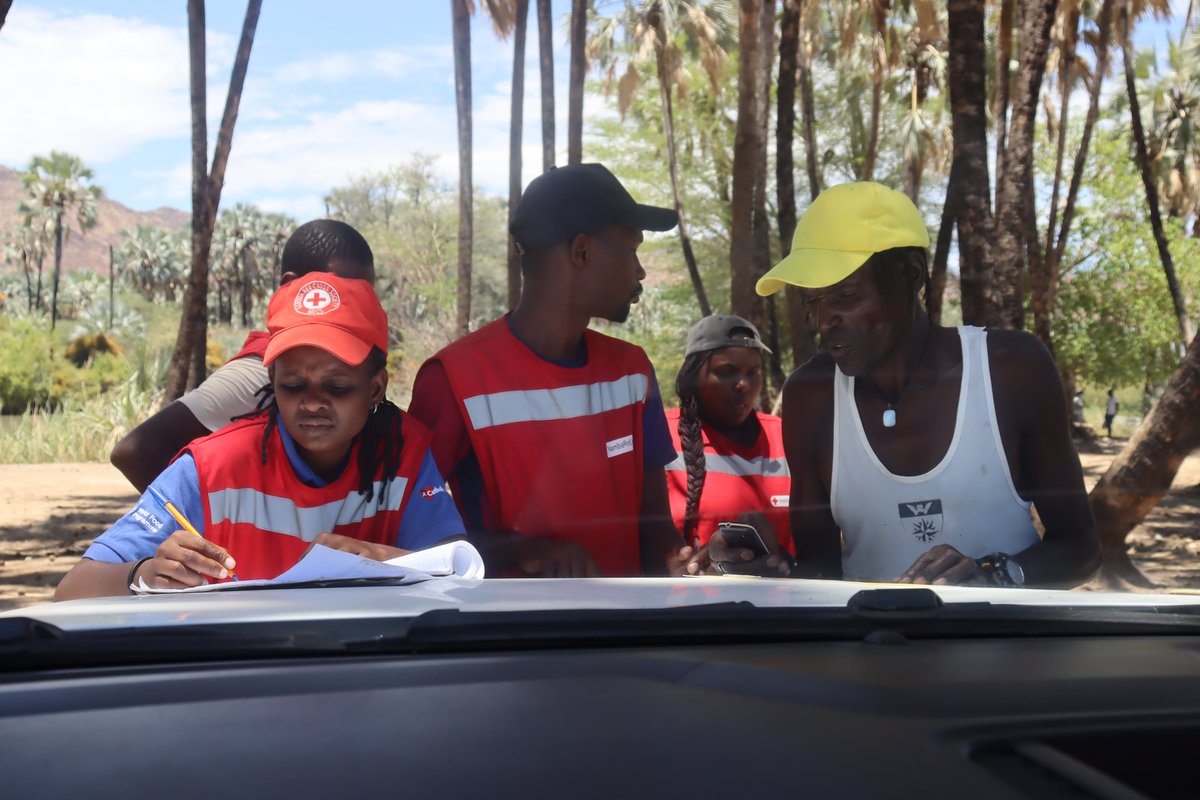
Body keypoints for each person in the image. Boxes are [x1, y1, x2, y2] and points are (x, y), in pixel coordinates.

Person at [710, 181, 1100, 588]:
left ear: (911, 275)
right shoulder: (812, 395)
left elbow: (1081, 547)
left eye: (845, 294)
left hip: (1007, 645)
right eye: (813, 301)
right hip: (872, 648)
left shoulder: (1010, 369)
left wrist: (997, 575)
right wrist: (768, 567)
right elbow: (821, 571)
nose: (824, 320)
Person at [55, 272, 465, 599]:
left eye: (337, 387)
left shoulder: (405, 454)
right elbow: (72, 590)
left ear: (376, 388)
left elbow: (459, 575)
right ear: (271, 379)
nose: (312, 403)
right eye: (293, 386)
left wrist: (385, 560)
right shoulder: (212, 467)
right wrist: (142, 574)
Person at [408, 163, 692, 578]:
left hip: (632, 634)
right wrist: (519, 552)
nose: (640, 271)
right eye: (631, 250)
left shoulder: (632, 371)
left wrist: (690, 563)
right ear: (581, 251)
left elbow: (656, 532)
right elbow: (410, 532)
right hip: (515, 637)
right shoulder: (453, 378)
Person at [110, 219, 377, 493]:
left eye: (367, 294)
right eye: (342, 290)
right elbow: (135, 452)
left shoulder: (356, 361)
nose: (359, 304)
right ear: (290, 285)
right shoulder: (257, 372)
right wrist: (214, 527)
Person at [666, 314, 793, 559]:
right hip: (694, 596)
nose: (743, 384)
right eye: (726, 371)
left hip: (786, 595)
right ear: (692, 376)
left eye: (753, 373)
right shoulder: (663, 438)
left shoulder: (786, 436)